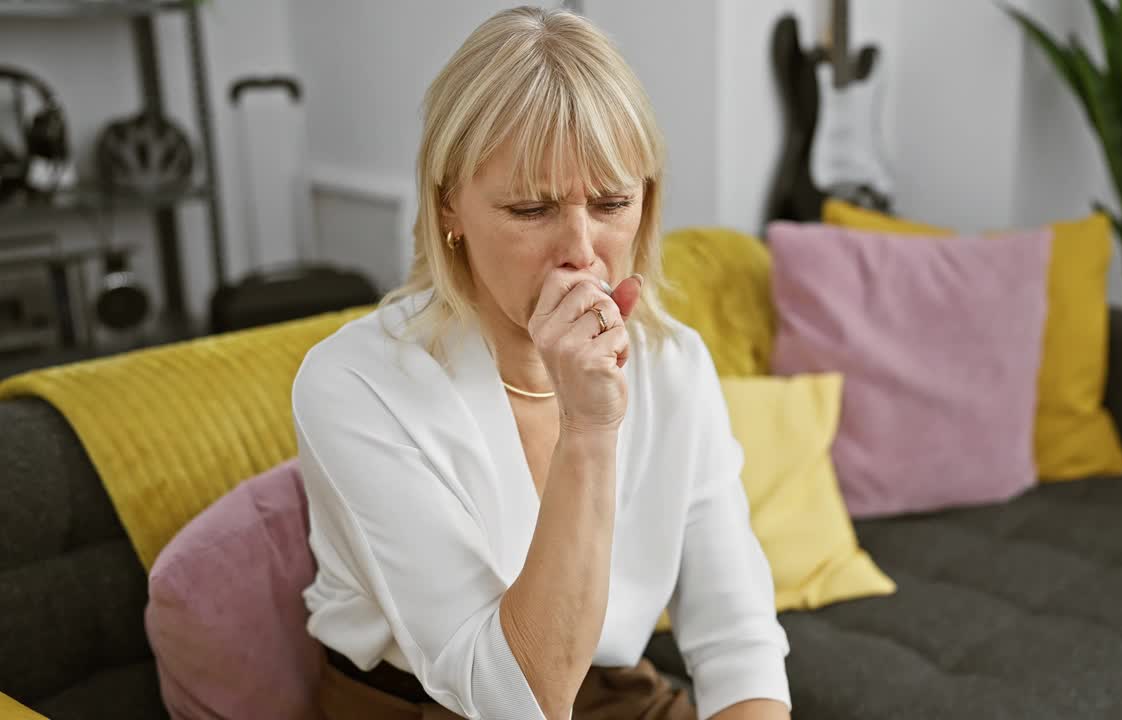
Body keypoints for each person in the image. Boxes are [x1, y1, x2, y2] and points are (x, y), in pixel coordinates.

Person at [291, 6, 791, 719]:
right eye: (531, 209)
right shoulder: (354, 385)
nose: (582, 251)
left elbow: (738, 642)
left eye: (613, 202)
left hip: (612, 693)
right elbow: (512, 697)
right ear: (448, 209)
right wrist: (590, 426)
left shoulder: (673, 362)